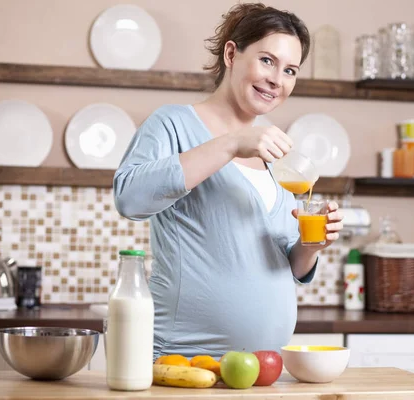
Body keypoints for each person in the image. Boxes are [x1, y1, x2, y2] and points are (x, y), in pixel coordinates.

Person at [113, 2, 344, 361]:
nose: (277, 80)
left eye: (290, 70)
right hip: (182, 359)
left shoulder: (274, 149)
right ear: (232, 53)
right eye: (267, 61)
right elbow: (129, 198)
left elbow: (284, 263)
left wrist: (310, 246)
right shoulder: (172, 124)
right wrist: (232, 143)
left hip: (264, 367)